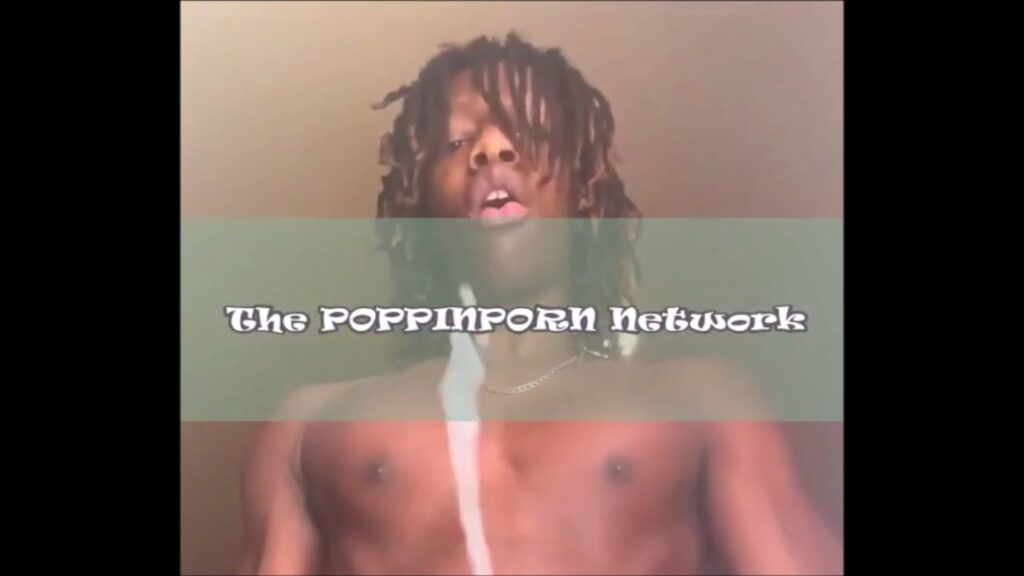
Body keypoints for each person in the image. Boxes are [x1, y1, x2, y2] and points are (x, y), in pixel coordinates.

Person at [239, 32, 842, 575]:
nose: (491, 148)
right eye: (457, 141)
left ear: (583, 188)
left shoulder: (702, 401)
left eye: (527, 132)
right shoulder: (311, 422)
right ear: (422, 208)